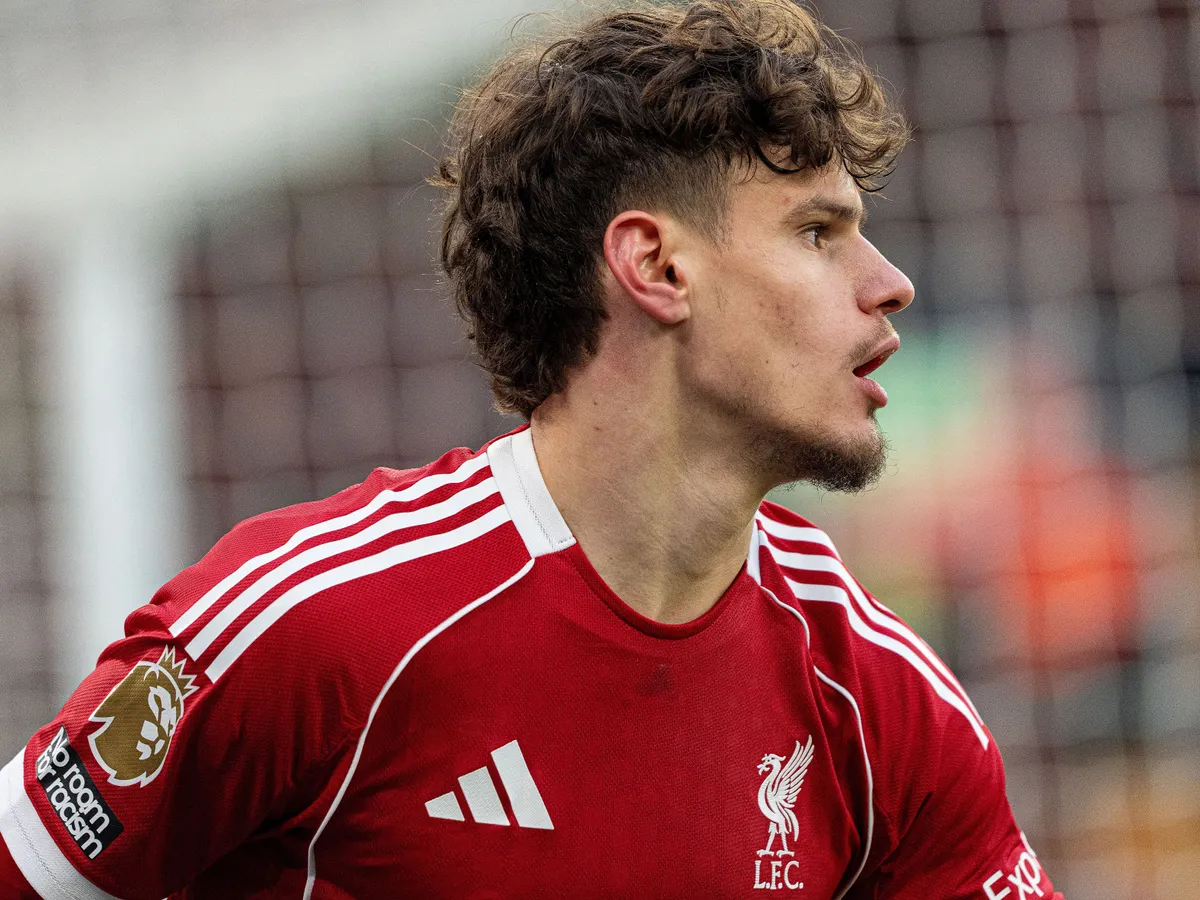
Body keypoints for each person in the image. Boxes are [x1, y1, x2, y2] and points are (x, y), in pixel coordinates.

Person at [0, 1, 1064, 897]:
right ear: (657, 267)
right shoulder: (315, 624)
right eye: (817, 233)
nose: (891, 284)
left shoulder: (882, 701)